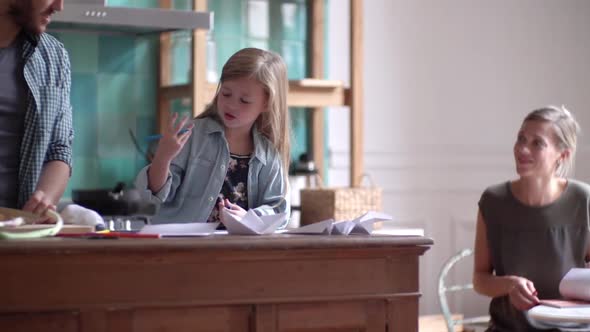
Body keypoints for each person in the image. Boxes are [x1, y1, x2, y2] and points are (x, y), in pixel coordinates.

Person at [135, 48, 290, 225]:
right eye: (226, 93)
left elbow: (279, 209)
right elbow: (155, 196)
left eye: (244, 100)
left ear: (266, 103)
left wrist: (250, 218)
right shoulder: (192, 136)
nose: (231, 104)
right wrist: (163, 157)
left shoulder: (268, 155)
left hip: (236, 251)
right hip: (184, 248)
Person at [473, 106, 590, 331]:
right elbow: (480, 279)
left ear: (562, 155)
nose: (522, 149)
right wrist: (509, 285)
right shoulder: (493, 201)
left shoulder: (583, 200)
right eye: (521, 139)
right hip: (508, 328)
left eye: (537, 143)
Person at [0, 0, 73, 214]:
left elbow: (60, 148)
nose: (59, 6)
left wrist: (44, 199)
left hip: (19, 232)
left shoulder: (54, 56)